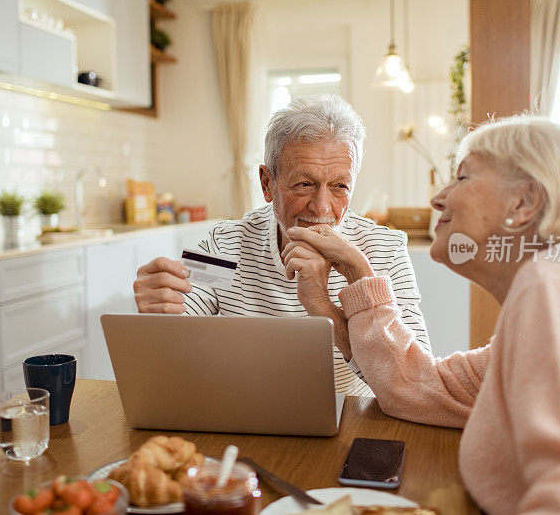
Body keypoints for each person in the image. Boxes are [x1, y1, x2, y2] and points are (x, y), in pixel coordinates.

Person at [285, 115, 560, 513]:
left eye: (463, 178)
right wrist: (353, 282)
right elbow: (418, 388)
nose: (437, 199)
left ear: (524, 202)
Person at [133, 94, 431, 396]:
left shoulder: (385, 249)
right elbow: (176, 338)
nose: (321, 208)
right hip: (246, 421)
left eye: (340, 186)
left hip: (353, 423)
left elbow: (416, 384)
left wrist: (326, 310)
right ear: (267, 183)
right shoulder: (224, 246)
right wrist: (161, 315)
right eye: (304, 184)